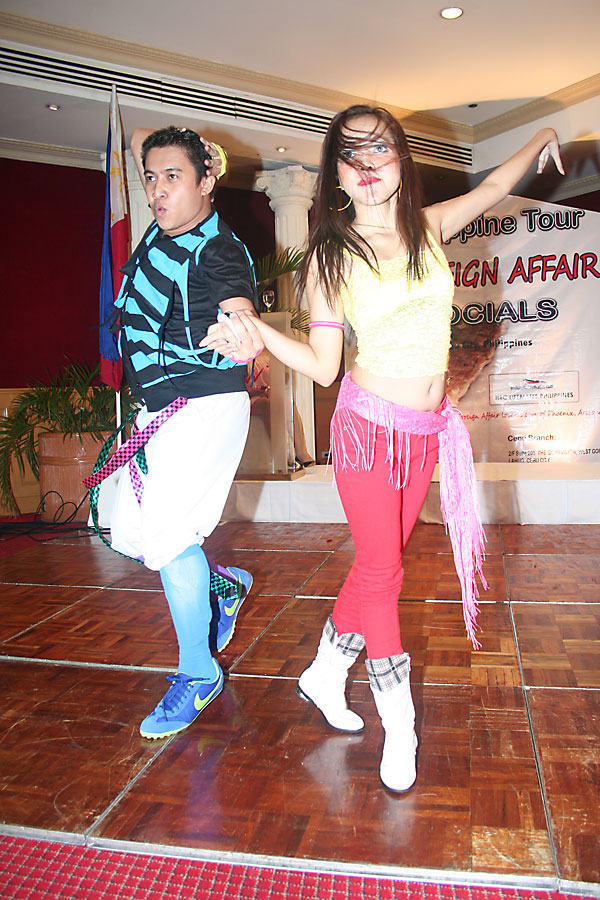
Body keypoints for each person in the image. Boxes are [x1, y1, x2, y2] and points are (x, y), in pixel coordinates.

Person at [201, 105, 564, 792]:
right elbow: (323, 366)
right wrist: (256, 327)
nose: (368, 166)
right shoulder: (330, 256)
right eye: (352, 154)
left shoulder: (428, 228)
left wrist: (541, 135)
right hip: (367, 431)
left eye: (381, 150)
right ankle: (401, 724)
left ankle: (324, 671)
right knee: (382, 571)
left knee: (376, 568)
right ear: (336, 172)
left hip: (424, 433)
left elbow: (492, 189)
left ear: (402, 159)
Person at [94, 125, 261, 740]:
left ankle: (198, 671)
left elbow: (239, 306)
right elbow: (147, 135)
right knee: (127, 530)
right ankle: (221, 586)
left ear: (207, 181)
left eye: (174, 178)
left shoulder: (218, 251)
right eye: (151, 179)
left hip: (204, 408)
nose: (158, 192)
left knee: (166, 538)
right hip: (158, 410)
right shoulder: (163, 228)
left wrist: (241, 329)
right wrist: (173, 148)